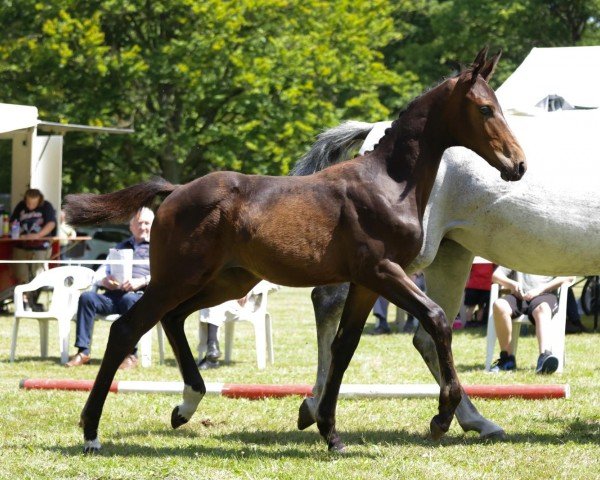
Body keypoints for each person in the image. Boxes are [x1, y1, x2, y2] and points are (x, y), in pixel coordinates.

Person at [65, 207, 154, 369]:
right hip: (114, 295)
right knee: (87, 298)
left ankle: (129, 355)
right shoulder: (120, 246)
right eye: (139, 223)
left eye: (147, 223)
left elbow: (163, 276)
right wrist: (104, 280)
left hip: (139, 296)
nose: (143, 227)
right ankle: (83, 352)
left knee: (129, 299)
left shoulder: (157, 248)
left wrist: (141, 281)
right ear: (131, 227)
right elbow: (99, 273)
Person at [490, 265, 573, 374]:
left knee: (542, 308)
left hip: (545, 295)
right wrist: (512, 284)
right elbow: (495, 275)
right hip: (518, 297)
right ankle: (507, 359)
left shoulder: (554, 252)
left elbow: (569, 277)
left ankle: (544, 357)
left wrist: (541, 289)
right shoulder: (515, 253)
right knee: (499, 304)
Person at [10, 188, 57, 285]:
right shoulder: (21, 205)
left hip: (40, 246)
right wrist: (18, 233)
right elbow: (12, 222)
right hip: (21, 245)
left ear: (39, 200)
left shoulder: (46, 206)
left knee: (39, 275)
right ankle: (24, 297)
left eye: (34, 203)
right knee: (21, 274)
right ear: (25, 199)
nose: (30, 206)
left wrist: (37, 235)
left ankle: (34, 297)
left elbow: (51, 224)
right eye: (28, 203)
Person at [455, 258, 495, 329]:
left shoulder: (475, 258)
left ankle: (469, 323)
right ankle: (476, 323)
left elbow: (468, 271)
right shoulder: (490, 259)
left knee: (472, 307)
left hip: (476, 286)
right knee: (480, 307)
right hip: (482, 286)